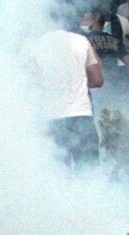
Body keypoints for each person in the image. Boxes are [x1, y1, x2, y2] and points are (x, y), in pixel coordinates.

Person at [28, 23, 104, 166]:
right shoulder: (81, 41)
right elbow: (97, 80)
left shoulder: (34, 46)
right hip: (81, 116)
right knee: (88, 173)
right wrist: (78, 82)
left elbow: (30, 85)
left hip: (50, 119)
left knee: (58, 176)